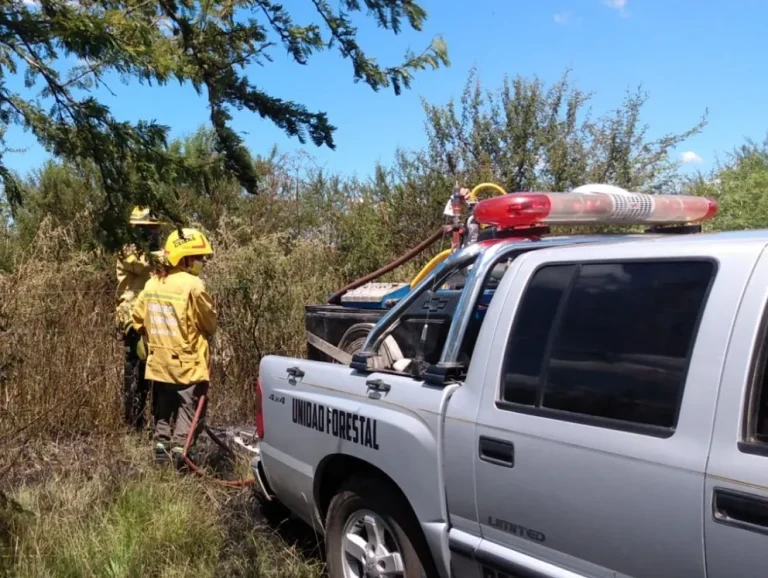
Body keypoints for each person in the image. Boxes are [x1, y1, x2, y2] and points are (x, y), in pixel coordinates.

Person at [131, 227, 217, 466]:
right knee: (190, 412)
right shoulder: (194, 285)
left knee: (163, 410)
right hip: (188, 364)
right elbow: (209, 324)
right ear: (185, 257)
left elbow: (138, 320)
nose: (202, 262)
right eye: (199, 257)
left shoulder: (152, 283)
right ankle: (182, 452)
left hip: (159, 364)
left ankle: (161, 446)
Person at [116, 206, 165, 430]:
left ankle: (156, 423)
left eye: (156, 228)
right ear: (138, 228)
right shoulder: (128, 250)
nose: (154, 232)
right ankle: (133, 424)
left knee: (155, 373)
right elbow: (143, 264)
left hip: (154, 317)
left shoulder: (154, 252)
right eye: (150, 228)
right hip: (132, 320)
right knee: (135, 372)